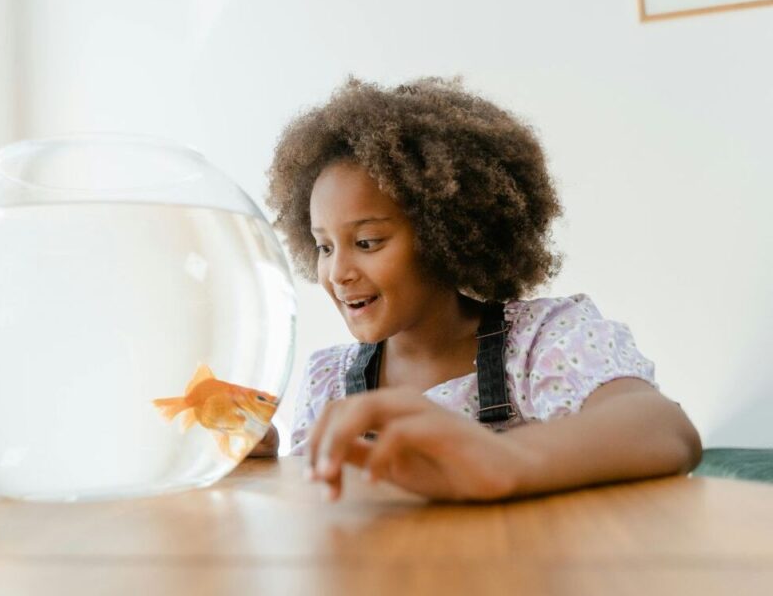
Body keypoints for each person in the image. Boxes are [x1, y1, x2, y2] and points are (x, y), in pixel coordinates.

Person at [256, 76, 701, 501]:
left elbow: (665, 430)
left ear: (444, 233)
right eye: (324, 246)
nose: (337, 273)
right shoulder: (327, 381)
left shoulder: (540, 343)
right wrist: (267, 463)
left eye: (367, 242)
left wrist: (503, 458)